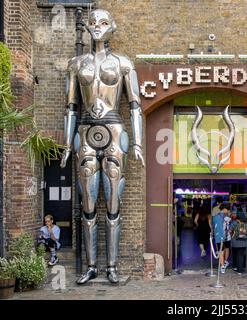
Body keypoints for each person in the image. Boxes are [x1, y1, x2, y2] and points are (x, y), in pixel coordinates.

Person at [60, 9, 145, 284]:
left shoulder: (123, 63)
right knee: (87, 202)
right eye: (93, 23)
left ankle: (112, 266)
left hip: (113, 128)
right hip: (85, 129)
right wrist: (65, 143)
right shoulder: (76, 64)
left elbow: (135, 105)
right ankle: (91, 266)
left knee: (113, 200)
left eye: (103, 23)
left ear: (113, 27)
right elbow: (71, 107)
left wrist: (138, 142)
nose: (97, 27)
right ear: (87, 26)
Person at [212, 204, 231, 273]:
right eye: (227, 209)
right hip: (227, 236)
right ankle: (224, 263)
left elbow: (214, 226)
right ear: (225, 209)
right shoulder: (228, 217)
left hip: (219, 237)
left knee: (221, 251)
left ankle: (222, 266)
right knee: (226, 249)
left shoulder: (216, 217)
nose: (228, 211)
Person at [230, 208, 247, 275]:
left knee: (235, 254)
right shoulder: (246, 223)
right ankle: (240, 269)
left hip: (235, 241)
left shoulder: (234, 222)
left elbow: (230, 231)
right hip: (243, 241)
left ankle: (236, 267)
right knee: (241, 255)